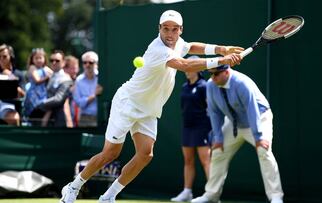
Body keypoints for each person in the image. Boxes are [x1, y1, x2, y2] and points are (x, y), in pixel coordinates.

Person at [59, 10, 243, 203]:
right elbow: (185, 65)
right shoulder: (158, 49)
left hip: (148, 110)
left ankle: (109, 196)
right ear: (159, 29)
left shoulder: (178, 43)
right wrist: (222, 60)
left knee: (145, 154)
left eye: (174, 30)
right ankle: (73, 187)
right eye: (165, 29)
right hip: (127, 104)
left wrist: (222, 48)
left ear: (180, 30)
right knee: (111, 153)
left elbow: (191, 46)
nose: (169, 34)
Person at [191, 65, 283, 203]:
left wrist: (258, 136)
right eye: (211, 74)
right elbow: (214, 113)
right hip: (234, 122)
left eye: (216, 74)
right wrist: (218, 138)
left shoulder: (241, 83)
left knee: (264, 151)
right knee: (217, 151)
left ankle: (275, 196)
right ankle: (211, 195)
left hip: (259, 118)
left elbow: (252, 109)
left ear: (227, 72)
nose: (213, 78)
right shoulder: (211, 85)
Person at [171, 56, 211, 202]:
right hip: (187, 127)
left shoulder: (204, 86)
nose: (186, 70)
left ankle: (213, 193)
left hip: (202, 127)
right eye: (185, 67)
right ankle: (187, 192)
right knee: (188, 160)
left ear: (198, 69)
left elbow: (210, 108)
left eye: (189, 67)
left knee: (206, 160)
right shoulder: (184, 87)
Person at [36, 50, 73, 127]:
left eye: (57, 61)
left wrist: (40, 105)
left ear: (63, 63)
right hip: (47, 119)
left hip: (59, 120)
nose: (54, 62)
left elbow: (58, 99)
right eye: (52, 60)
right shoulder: (50, 76)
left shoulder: (66, 79)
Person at [23, 48, 53, 125]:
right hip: (34, 95)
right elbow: (37, 80)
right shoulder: (32, 68)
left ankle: (43, 124)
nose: (39, 60)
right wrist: (47, 77)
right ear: (32, 59)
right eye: (36, 58)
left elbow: (53, 75)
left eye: (40, 58)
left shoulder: (45, 68)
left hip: (43, 95)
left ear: (44, 59)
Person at [73, 51, 103, 127]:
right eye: (85, 62)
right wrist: (94, 95)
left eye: (90, 62)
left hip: (102, 118)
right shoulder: (79, 80)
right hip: (85, 118)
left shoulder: (102, 78)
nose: (87, 65)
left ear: (96, 64)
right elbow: (79, 103)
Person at [64, 55, 80, 126]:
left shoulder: (78, 81)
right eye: (73, 68)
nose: (75, 71)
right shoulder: (63, 82)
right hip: (66, 120)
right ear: (65, 69)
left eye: (76, 68)